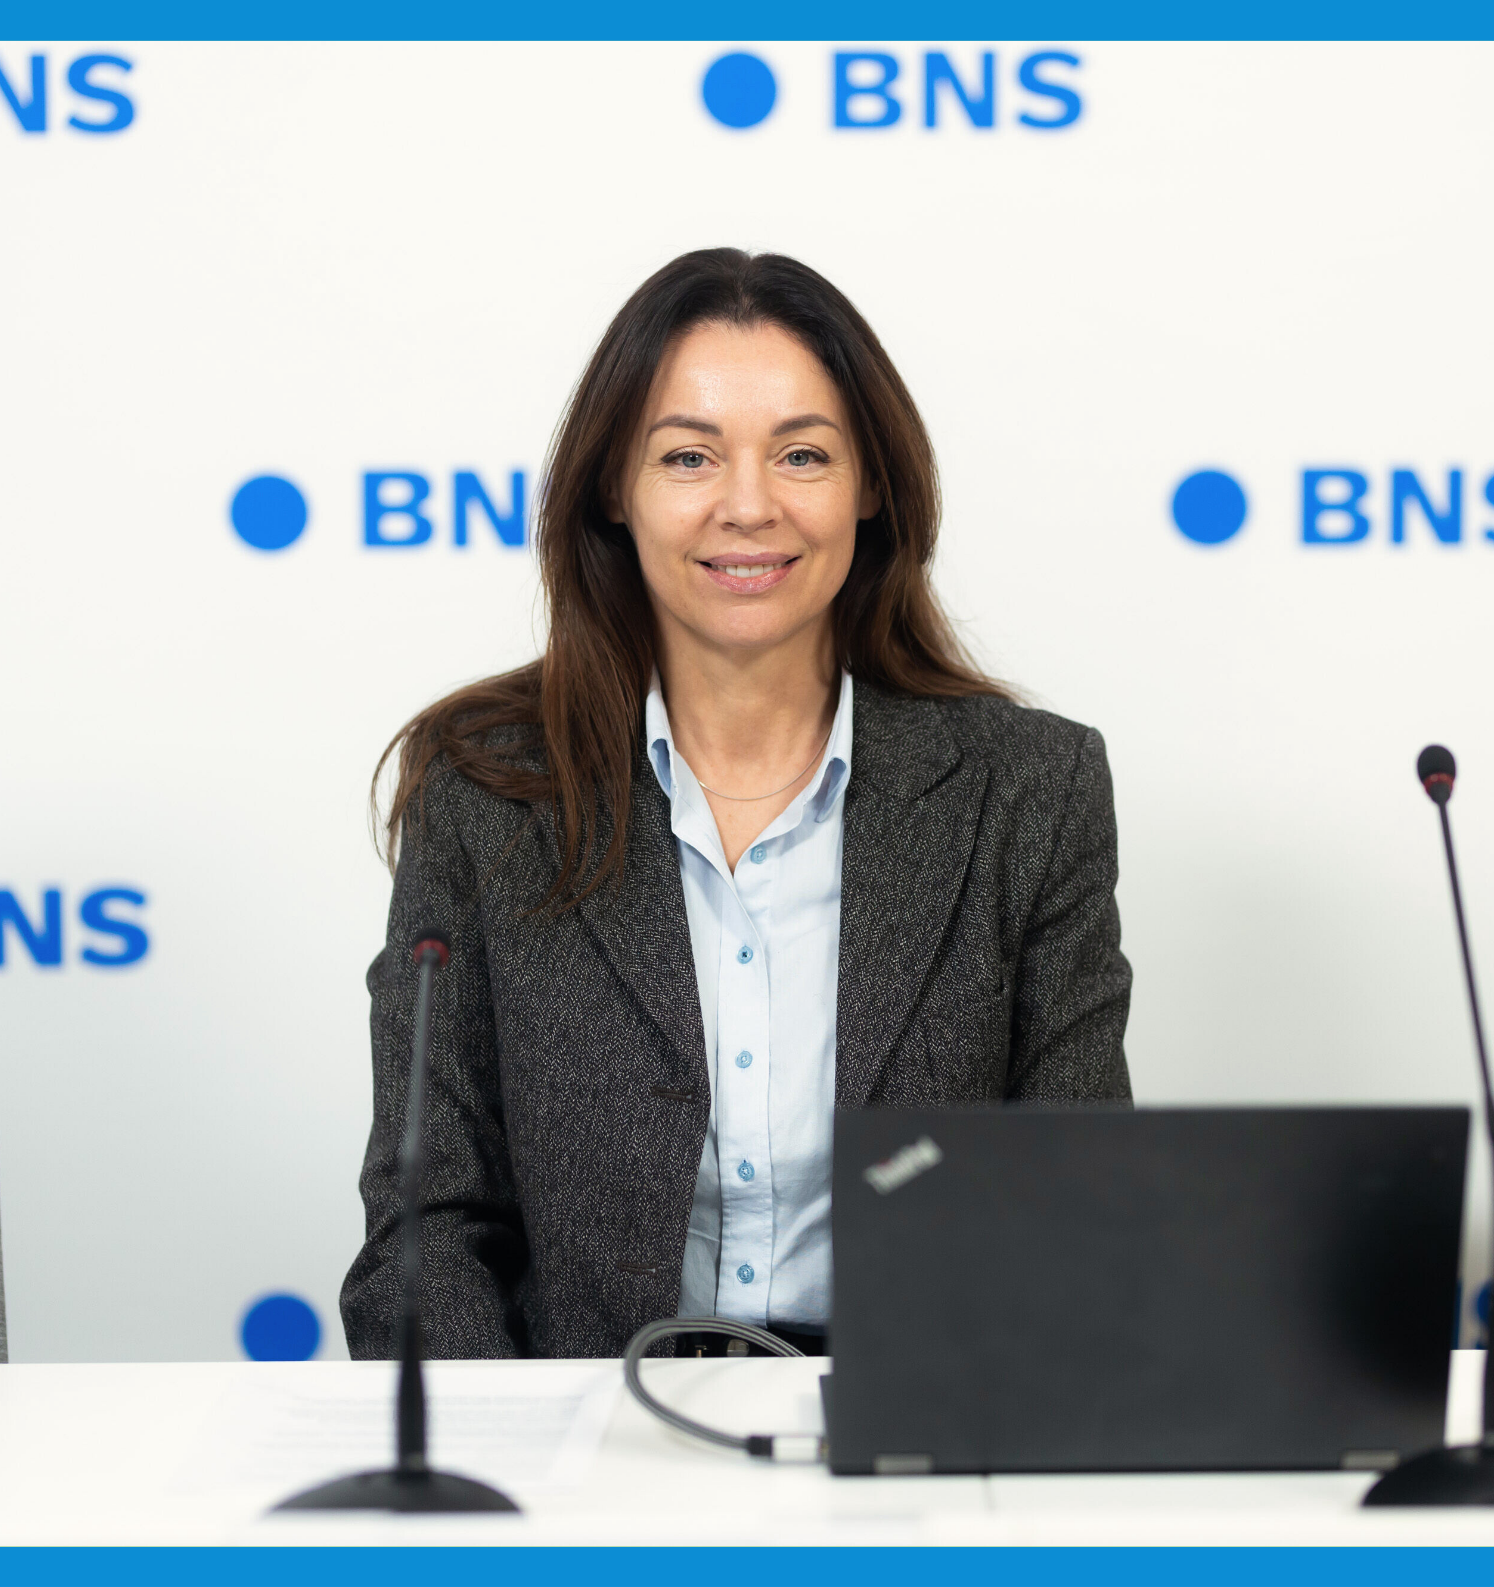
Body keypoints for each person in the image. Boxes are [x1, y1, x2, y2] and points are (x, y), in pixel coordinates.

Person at [340, 248, 1132, 1360]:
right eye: (688, 456)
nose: (749, 506)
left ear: (871, 489)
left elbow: (1074, 1205)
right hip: (585, 1420)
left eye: (803, 454)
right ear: (614, 490)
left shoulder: (1029, 789)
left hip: (909, 1418)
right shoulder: (485, 788)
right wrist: (520, 1447)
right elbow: (427, 1226)